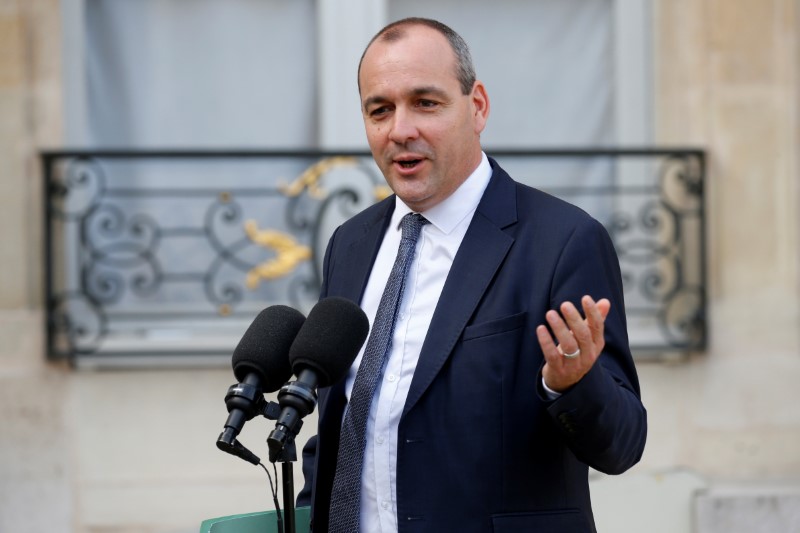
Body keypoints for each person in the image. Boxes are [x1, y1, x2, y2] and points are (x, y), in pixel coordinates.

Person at [299, 17, 647, 533]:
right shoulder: (349, 244)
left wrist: (570, 385)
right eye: (380, 110)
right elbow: (347, 426)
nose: (401, 130)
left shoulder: (562, 241)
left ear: (477, 106)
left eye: (426, 103)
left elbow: (622, 444)